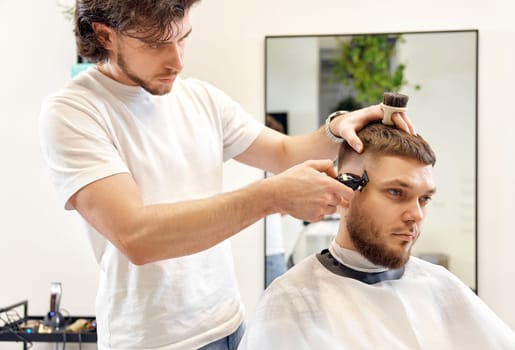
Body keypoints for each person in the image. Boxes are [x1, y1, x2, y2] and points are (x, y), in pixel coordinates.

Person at [38, 1, 415, 349]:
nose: (178, 61)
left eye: (183, 38)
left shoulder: (201, 99)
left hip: (229, 325)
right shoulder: (74, 112)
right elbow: (137, 237)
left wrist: (336, 128)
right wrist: (272, 197)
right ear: (105, 35)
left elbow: (284, 152)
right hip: (152, 340)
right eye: (156, 45)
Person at [239, 122, 515, 350]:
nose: (416, 215)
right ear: (345, 190)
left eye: (424, 199)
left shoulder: (440, 285)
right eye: (396, 192)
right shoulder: (294, 300)